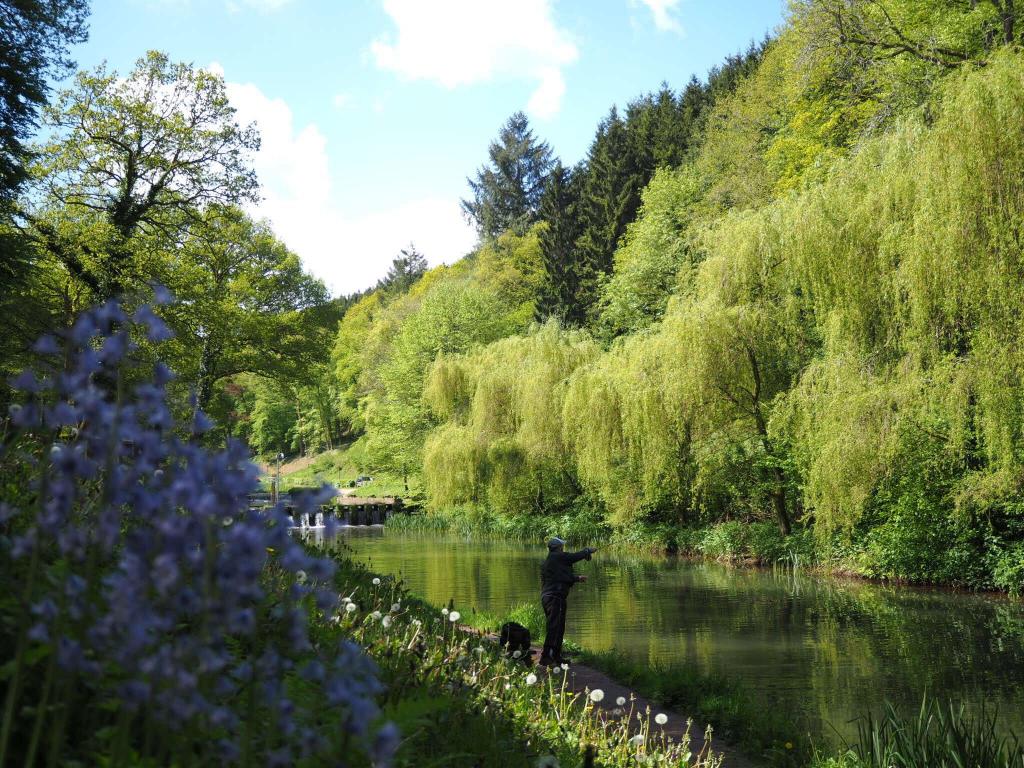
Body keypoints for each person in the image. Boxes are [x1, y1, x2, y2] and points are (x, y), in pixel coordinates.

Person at [539, 537, 597, 666]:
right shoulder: (557, 557)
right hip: (555, 598)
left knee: (558, 627)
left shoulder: (551, 560)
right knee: (555, 627)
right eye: (562, 546)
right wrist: (587, 551)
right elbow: (573, 557)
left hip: (550, 597)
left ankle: (555, 656)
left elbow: (559, 577)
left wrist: (576, 578)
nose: (563, 548)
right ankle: (546, 657)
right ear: (558, 547)